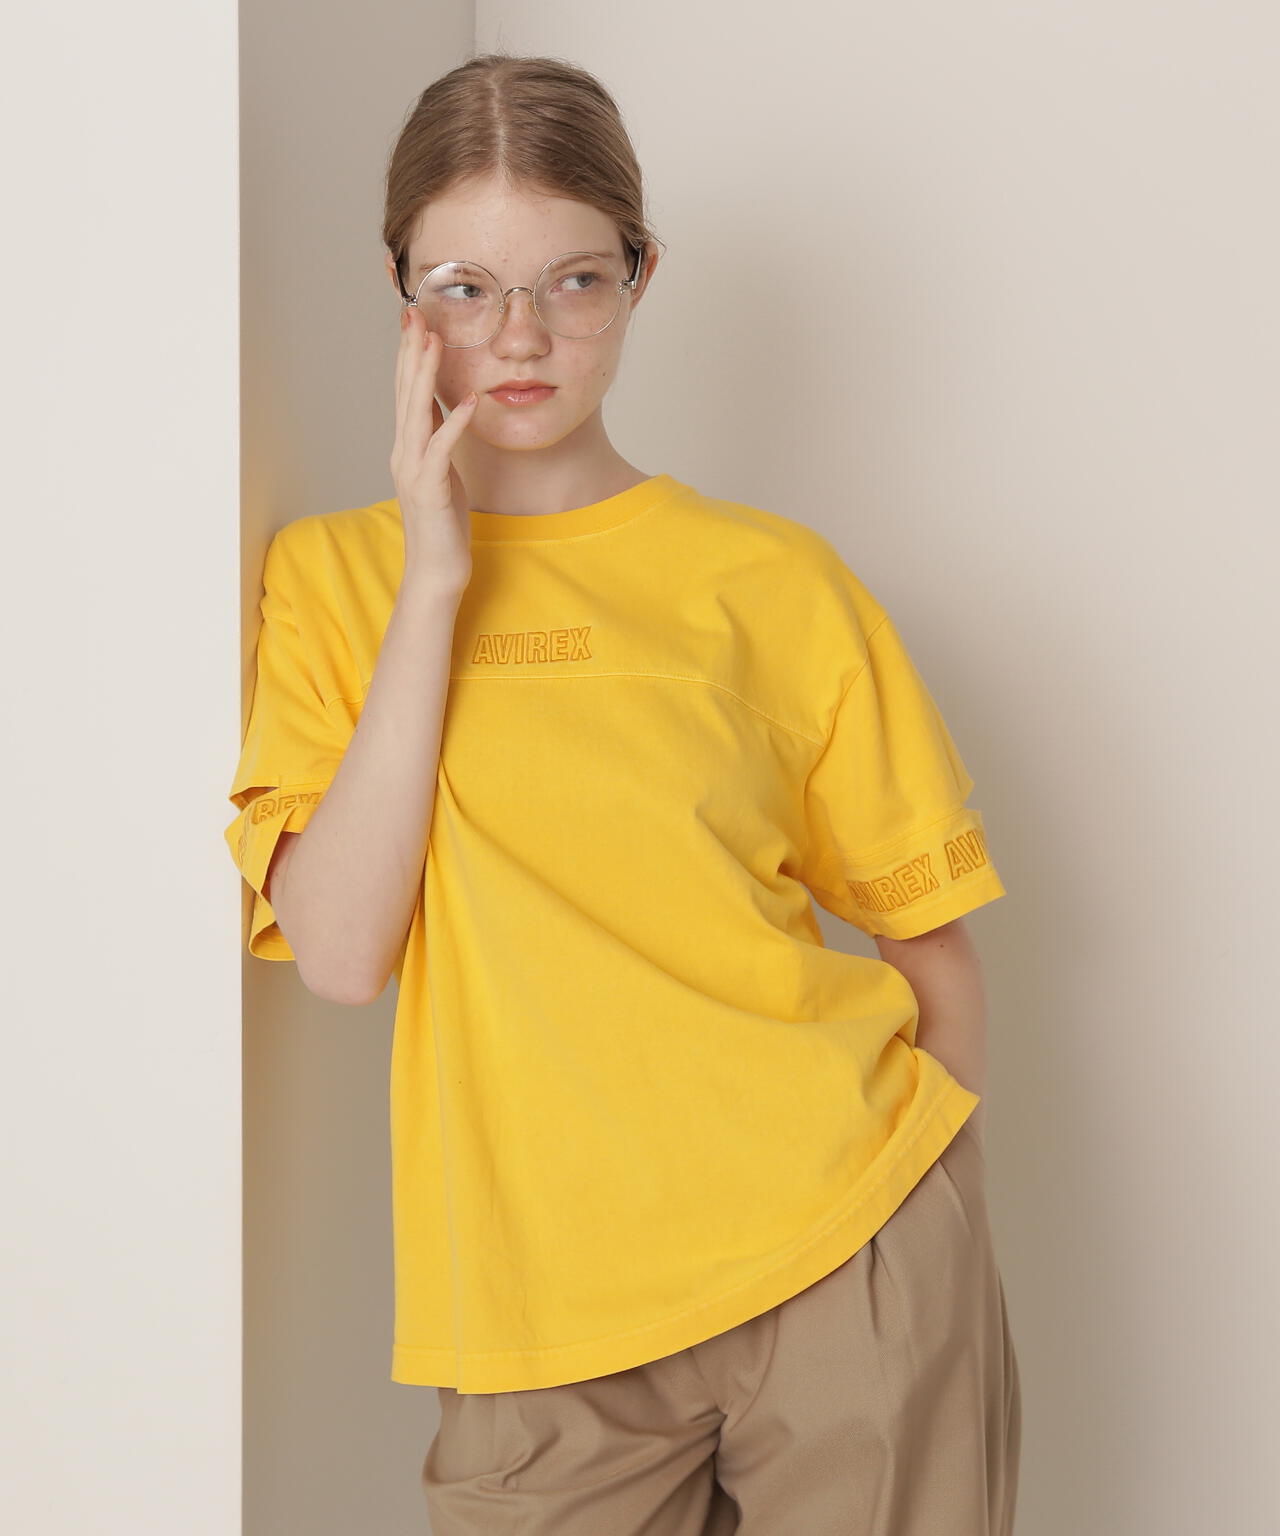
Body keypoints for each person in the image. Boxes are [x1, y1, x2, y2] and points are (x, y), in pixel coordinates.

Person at [224, 49, 1021, 1536]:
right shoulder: (332, 584)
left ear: (641, 276)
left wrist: (932, 1223)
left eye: (574, 282)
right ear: (400, 293)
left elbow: (932, 945)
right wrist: (435, 577)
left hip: (846, 1251)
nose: (520, 336)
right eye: (465, 287)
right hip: (533, 1316)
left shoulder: (776, 583)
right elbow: (339, 950)